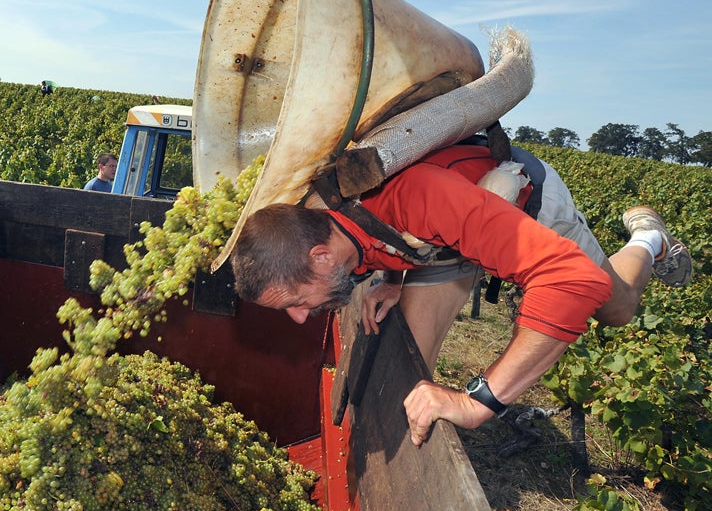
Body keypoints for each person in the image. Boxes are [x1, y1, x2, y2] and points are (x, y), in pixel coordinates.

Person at [230, 142, 693, 447]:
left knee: (617, 307)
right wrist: (392, 277)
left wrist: (478, 401)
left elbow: (573, 281)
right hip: (449, 240)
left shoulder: (418, 197)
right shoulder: (332, 224)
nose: (297, 317)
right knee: (409, 346)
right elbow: (380, 236)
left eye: (294, 301)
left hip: (524, 208)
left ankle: (649, 239)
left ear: (319, 257)